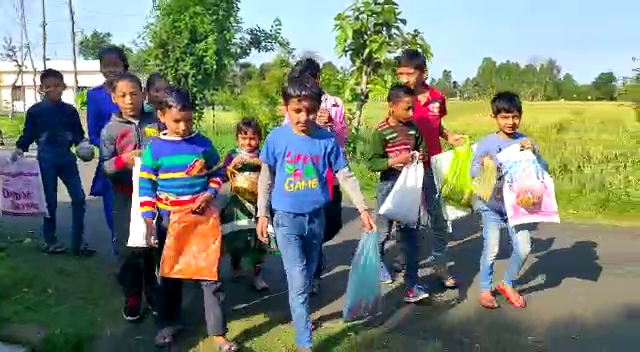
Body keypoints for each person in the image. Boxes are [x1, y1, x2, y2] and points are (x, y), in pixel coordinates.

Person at [256, 75, 375, 352]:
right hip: (286, 218)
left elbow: (344, 175)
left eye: (310, 110)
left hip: (316, 218)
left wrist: (362, 207)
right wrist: (262, 213)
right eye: (297, 110)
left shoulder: (326, 140)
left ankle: (301, 317)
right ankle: (304, 343)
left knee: (308, 275)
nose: (304, 117)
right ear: (285, 107)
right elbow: (266, 177)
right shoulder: (277, 138)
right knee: (297, 279)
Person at [138, 88, 237, 351]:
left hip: (202, 219)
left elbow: (219, 173)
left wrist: (210, 192)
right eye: (177, 121)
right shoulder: (155, 148)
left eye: (188, 121)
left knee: (210, 277)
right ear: (161, 116)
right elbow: (146, 185)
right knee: (170, 274)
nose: (183, 127)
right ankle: (168, 324)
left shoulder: (202, 144)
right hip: (168, 221)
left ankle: (218, 333)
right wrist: (149, 220)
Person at [395, 48, 464, 289]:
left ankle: (440, 264)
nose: (404, 79)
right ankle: (405, 260)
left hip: (433, 166)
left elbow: (437, 125)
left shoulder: (437, 98)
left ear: (422, 72)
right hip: (408, 168)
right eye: (400, 74)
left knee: (439, 219)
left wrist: (449, 135)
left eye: (408, 73)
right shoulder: (400, 98)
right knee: (407, 218)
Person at [471, 91, 544, 310]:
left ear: (520, 116)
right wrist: (483, 166)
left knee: (524, 247)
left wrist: (536, 154)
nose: (510, 122)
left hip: (517, 206)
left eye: (514, 117)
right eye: (504, 117)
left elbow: (542, 170)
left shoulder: (525, 142)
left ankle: (507, 283)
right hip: (491, 206)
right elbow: (472, 173)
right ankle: (485, 290)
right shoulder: (486, 143)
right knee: (491, 248)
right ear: (495, 117)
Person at [100, 73, 163, 322]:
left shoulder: (157, 122)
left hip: (155, 196)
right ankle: (133, 296)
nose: (129, 100)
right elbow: (105, 167)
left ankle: (155, 294)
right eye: (123, 95)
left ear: (143, 95)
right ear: (114, 98)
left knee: (153, 247)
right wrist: (122, 160)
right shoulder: (110, 130)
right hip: (125, 198)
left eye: (134, 94)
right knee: (129, 251)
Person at [12, 69, 93, 255]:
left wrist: (83, 145)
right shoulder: (35, 112)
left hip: (66, 159)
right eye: (48, 87)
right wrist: (19, 148)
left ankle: (77, 242)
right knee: (49, 202)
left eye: (57, 86)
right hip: (45, 160)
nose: (53, 90)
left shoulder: (70, 111)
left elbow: (78, 135)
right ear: (42, 89)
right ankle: (50, 240)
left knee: (79, 198)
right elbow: (28, 134)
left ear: (63, 87)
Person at [285, 58, 348, 294]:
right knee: (306, 227)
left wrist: (331, 125)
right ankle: (310, 276)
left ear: (317, 79)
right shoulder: (295, 102)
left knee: (330, 224)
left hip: (328, 176)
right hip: (302, 176)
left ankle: (314, 256)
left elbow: (343, 138)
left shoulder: (334, 104)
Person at [368, 83, 430, 303]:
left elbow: (422, 148)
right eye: (407, 108)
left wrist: (420, 157)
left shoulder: (413, 128)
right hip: (388, 188)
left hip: (409, 189)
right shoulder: (381, 132)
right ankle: (376, 264)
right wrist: (394, 161)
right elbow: (372, 162)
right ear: (391, 106)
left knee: (411, 237)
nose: (411, 113)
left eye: (413, 108)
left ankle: (412, 285)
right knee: (383, 232)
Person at [87, 46, 130, 257]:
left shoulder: (132, 92)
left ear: (124, 65)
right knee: (113, 213)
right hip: (110, 164)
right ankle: (121, 259)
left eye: (115, 65)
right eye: (106, 66)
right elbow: (93, 131)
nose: (111, 70)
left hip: (135, 163)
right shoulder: (94, 96)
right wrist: (111, 149)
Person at [219, 117, 269, 291]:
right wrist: (231, 165)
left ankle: (256, 276)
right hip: (237, 205)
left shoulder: (264, 156)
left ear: (259, 139)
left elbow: (271, 175)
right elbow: (223, 176)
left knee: (257, 241)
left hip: (258, 205)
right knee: (236, 237)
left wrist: (261, 164)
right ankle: (236, 264)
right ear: (237, 139)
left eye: (252, 138)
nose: (248, 142)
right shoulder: (233, 155)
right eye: (244, 138)